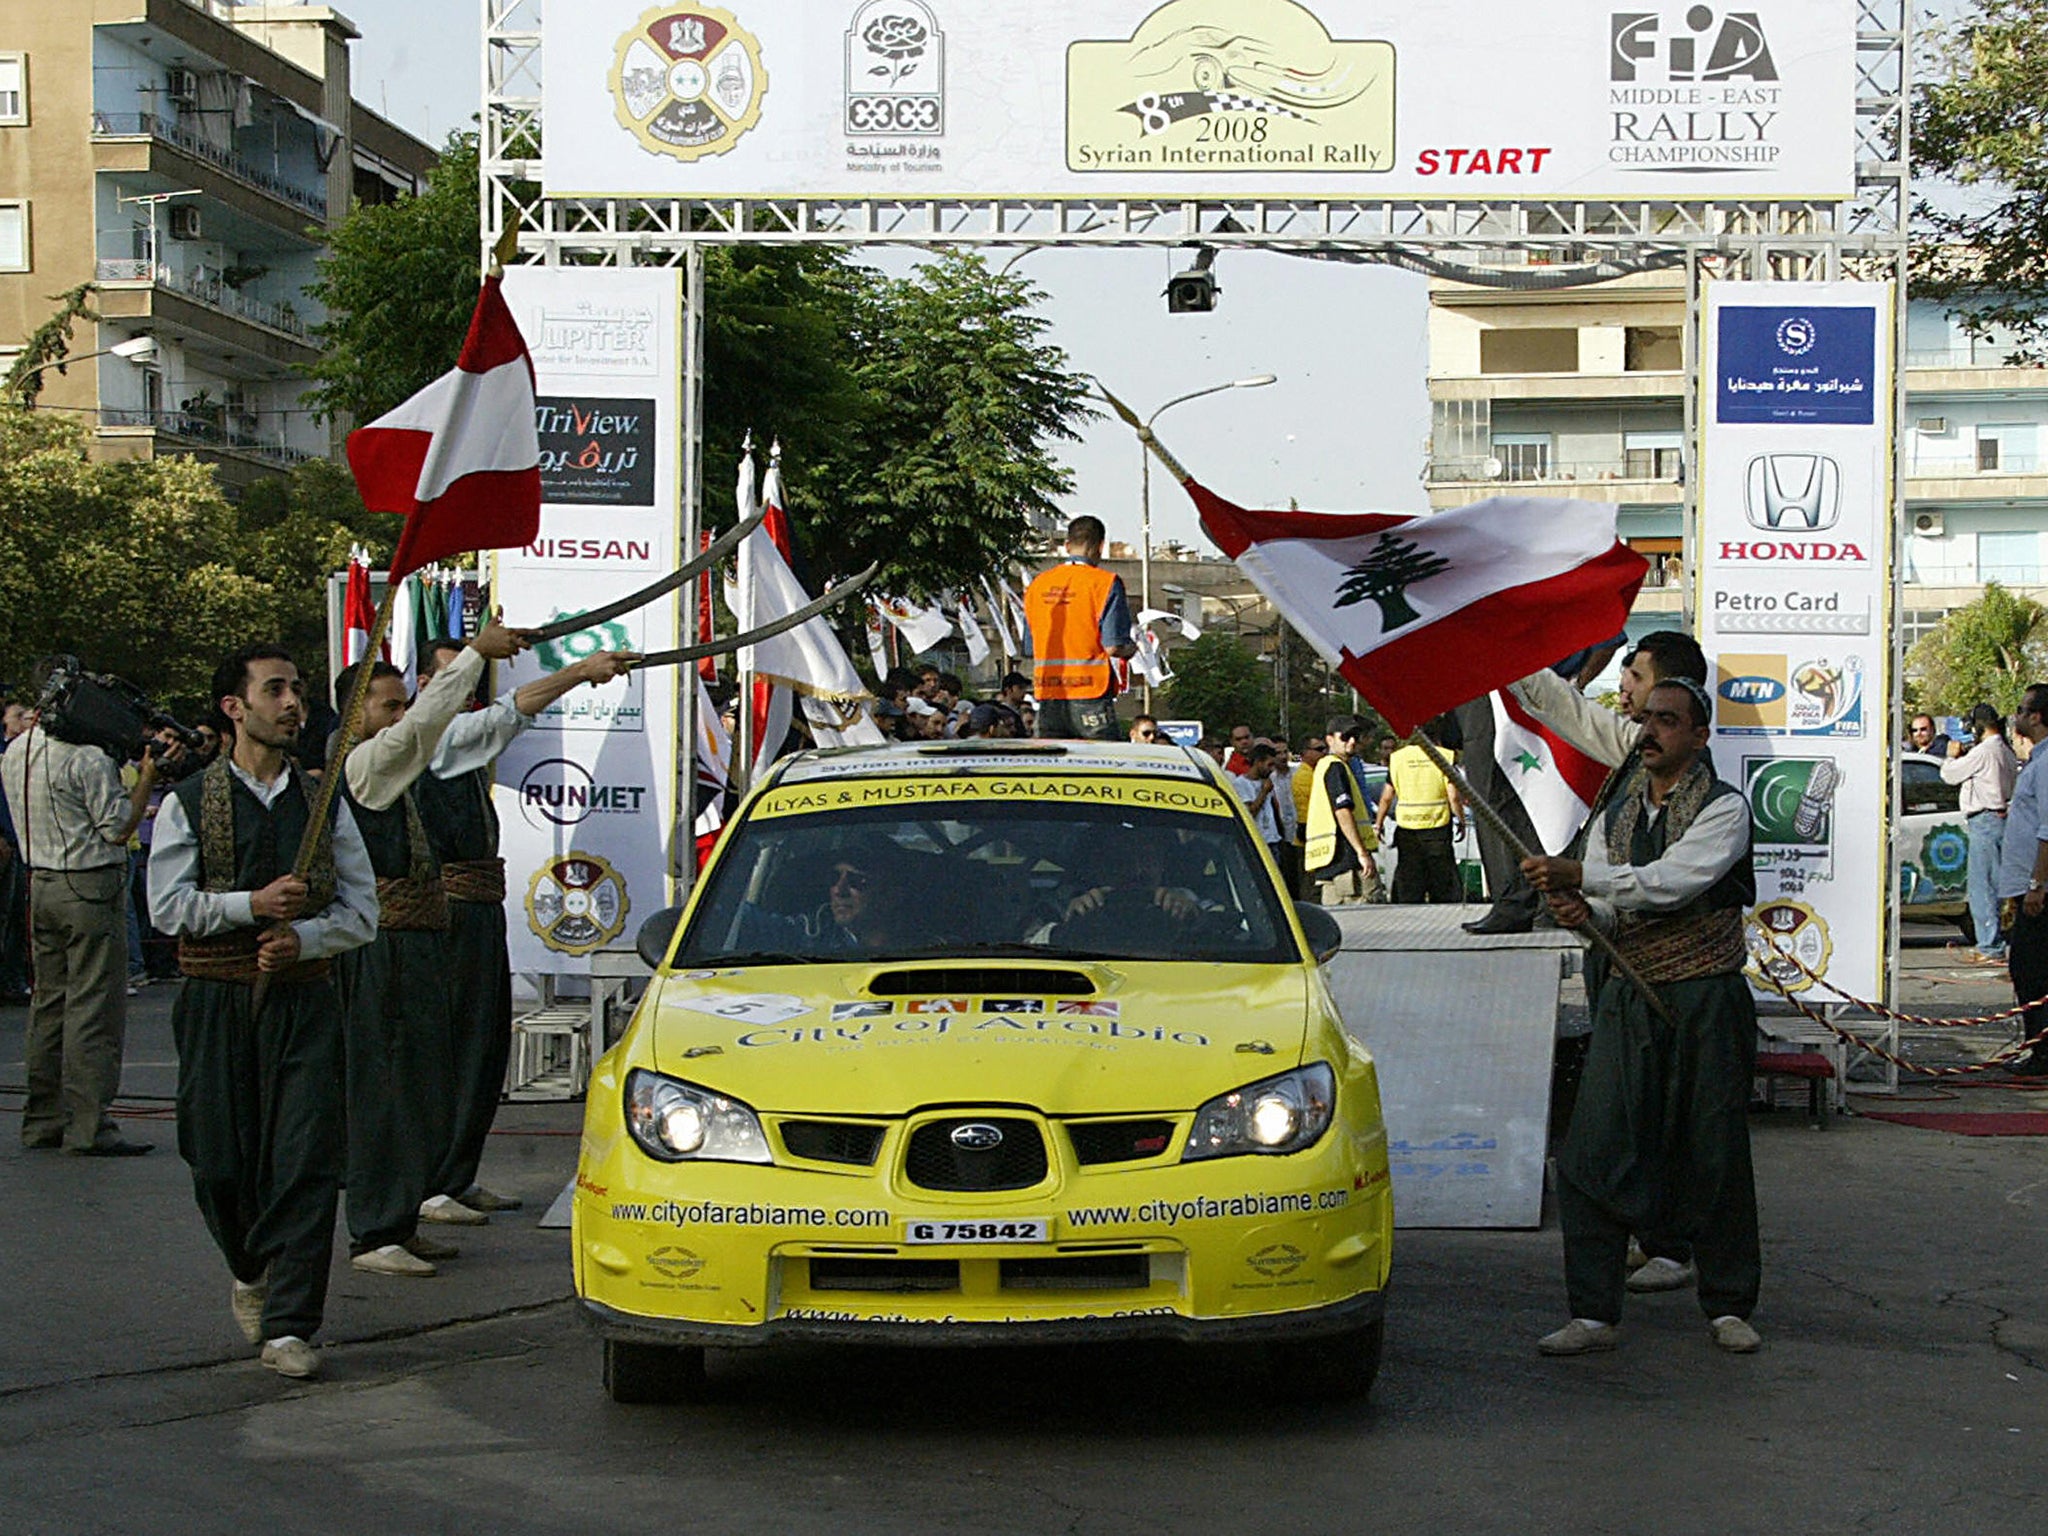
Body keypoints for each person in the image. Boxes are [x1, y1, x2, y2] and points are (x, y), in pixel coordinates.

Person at [149, 644, 379, 1379]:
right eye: (274, 690)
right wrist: (249, 906)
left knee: (308, 1160)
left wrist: (305, 935)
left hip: (306, 1000)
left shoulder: (323, 802)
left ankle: (291, 1323)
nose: (292, 703)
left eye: (298, 690)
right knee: (217, 1159)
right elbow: (164, 907)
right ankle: (249, 1268)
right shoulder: (188, 803)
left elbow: (362, 912)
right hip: (218, 1001)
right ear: (234, 707)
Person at [1522, 679, 1763, 1357]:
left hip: (1704, 999)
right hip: (1630, 996)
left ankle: (1728, 1305)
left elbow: (1671, 883)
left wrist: (1582, 882)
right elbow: (1609, 908)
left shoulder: (1723, 809)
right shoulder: (1614, 812)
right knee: (1591, 1150)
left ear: (1698, 736)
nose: (1650, 731)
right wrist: (1583, 913)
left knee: (1711, 1151)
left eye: (1667, 720)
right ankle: (1594, 1312)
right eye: (1645, 719)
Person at [411, 636, 638, 1226]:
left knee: (485, 1046)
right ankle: (429, 1182)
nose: (461, 695)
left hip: (480, 907)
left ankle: (456, 1175)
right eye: (450, 681)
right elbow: (516, 708)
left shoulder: (456, 736)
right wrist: (583, 670)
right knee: (449, 1047)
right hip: (448, 912)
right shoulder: (428, 738)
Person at [329, 617, 528, 1278]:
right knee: (385, 1082)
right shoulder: (361, 762)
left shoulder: (394, 762)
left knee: (418, 1081)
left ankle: (401, 1216)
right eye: (388, 704)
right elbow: (423, 727)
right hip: (379, 943)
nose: (401, 715)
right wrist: (473, 655)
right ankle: (374, 1227)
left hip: (414, 939)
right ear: (358, 715)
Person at [2, 696, 170, 1154]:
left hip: (42, 881)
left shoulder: (18, 749)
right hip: (89, 884)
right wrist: (149, 776)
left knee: (49, 1004)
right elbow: (117, 827)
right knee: (94, 1007)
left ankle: (42, 1121)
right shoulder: (88, 758)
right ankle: (90, 1125)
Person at [1025, 515, 1137, 741]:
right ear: (1100, 547)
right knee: (1101, 764)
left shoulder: (1038, 585)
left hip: (1047, 694)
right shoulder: (1105, 583)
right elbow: (1113, 646)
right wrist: (1132, 649)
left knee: (1053, 767)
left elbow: (1029, 647)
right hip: (1090, 694)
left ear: (1067, 546)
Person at [1997, 684, 2048, 1078]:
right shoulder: (2036, 760)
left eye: (2021, 709)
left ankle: (2041, 1051)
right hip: (2024, 884)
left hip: (2039, 890)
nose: (2015, 716)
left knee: (2032, 970)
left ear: (2036, 715)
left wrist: (2037, 885)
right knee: (2026, 969)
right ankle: (2036, 1046)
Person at [1942, 703, 2018, 966]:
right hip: (2000, 817)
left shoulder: (1985, 751)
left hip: (1985, 819)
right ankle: (1993, 940)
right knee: (1995, 884)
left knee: (1982, 887)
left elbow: (1950, 775)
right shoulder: (2004, 750)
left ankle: (1989, 945)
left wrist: (1951, 756)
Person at [1376, 718, 1466, 904]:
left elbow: (1386, 796)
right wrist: (1461, 820)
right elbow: (1454, 796)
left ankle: (1410, 914)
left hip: (1407, 829)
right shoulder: (1445, 756)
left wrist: (1378, 823)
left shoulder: (1398, 758)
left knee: (1410, 879)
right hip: (1437, 828)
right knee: (1441, 880)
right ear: (1437, 735)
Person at [1303, 716, 1383, 905]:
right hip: (1346, 862)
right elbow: (1343, 812)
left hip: (1332, 862)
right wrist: (1361, 853)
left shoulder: (1328, 767)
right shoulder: (1335, 768)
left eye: (1356, 736)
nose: (1352, 741)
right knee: (1366, 913)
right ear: (1330, 739)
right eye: (1345, 737)